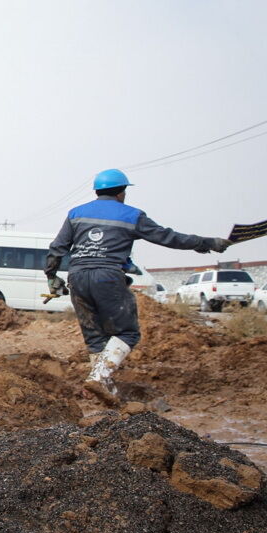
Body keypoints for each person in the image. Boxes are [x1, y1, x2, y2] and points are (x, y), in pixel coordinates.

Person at [46, 168, 230, 403]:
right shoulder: (132, 215)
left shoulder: (76, 214)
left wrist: (52, 276)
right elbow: (168, 237)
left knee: (95, 337)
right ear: (122, 192)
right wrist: (205, 243)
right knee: (128, 333)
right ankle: (99, 378)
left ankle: (105, 391)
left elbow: (57, 248)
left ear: (96, 191)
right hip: (108, 277)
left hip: (78, 276)